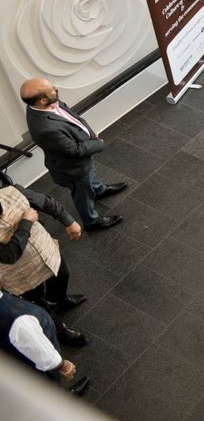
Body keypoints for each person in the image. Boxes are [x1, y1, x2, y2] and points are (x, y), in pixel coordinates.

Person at [20, 78, 124, 231]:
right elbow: (75, 151)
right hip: (73, 169)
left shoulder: (42, 103)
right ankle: (91, 222)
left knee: (90, 177)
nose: (55, 88)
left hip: (82, 162)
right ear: (42, 100)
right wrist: (98, 143)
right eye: (51, 89)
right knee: (83, 194)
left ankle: (99, 191)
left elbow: (71, 117)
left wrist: (90, 135)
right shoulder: (45, 129)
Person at [0, 175, 88, 348]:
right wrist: (26, 222)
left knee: (62, 274)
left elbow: (46, 202)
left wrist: (69, 221)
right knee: (37, 301)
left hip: (47, 253)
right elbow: (10, 255)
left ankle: (58, 300)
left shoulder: (12, 192)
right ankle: (60, 330)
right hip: (21, 274)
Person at [0, 289, 88, 394]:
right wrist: (63, 365)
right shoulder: (18, 320)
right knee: (48, 388)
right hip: (31, 367)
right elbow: (42, 354)